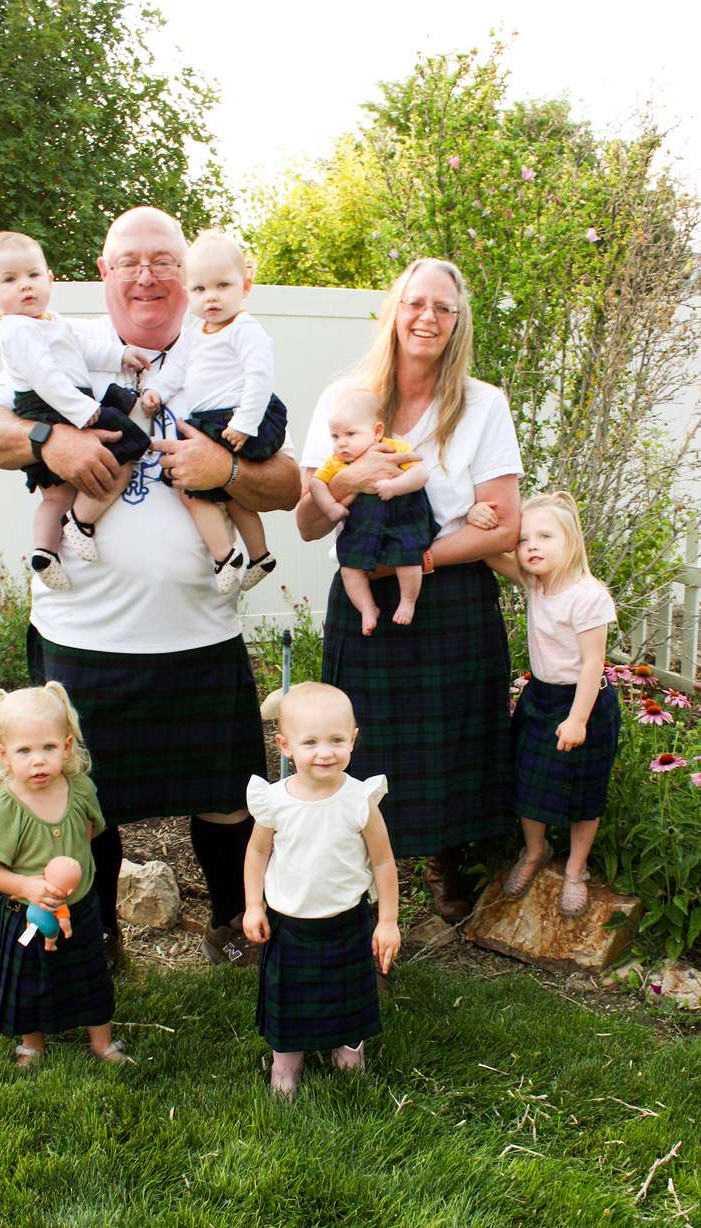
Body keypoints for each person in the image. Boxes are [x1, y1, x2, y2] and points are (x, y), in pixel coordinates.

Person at [0, 206, 301, 971]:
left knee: (224, 796)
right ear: (103, 273)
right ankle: (99, 933)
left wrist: (226, 469)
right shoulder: (60, 341)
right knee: (86, 804)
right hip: (85, 635)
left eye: (164, 261)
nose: (146, 276)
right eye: (128, 262)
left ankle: (228, 924)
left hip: (201, 632)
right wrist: (52, 438)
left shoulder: (222, 348)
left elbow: (287, 484)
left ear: (189, 274)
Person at [297, 257, 523, 922]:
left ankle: (445, 858)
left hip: (447, 593)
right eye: (415, 303)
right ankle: (360, 863)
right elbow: (308, 523)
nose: (427, 317)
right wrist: (346, 478)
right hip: (363, 597)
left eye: (443, 308)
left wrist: (414, 559)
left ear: (458, 322)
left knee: (450, 737)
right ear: (394, 311)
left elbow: (505, 523)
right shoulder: (345, 401)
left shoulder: (482, 405)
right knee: (360, 736)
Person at [243, 682, 400, 1099]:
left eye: (336, 740)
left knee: (349, 994)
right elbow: (257, 852)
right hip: (290, 925)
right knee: (290, 999)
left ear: (353, 739)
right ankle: (286, 1063)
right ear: (285, 746)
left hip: (347, 921)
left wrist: (387, 920)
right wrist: (253, 905)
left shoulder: (359, 799)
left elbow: (383, 862)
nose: (325, 752)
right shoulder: (275, 801)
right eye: (310, 742)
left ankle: (349, 1049)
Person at [0, 231, 152, 591]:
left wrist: (120, 355)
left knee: (56, 494)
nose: (25, 285)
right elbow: (46, 378)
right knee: (129, 446)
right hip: (53, 408)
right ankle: (79, 523)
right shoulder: (15, 329)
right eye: (10, 279)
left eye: (33, 275)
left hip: (66, 405)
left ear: (50, 279)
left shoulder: (51, 321)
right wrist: (82, 411)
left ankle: (45, 552)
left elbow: (84, 349)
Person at [0, 683, 129, 1066]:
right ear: (3, 753)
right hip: (25, 915)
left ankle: (102, 1042)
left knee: (91, 975)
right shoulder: (2, 809)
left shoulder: (80, 791)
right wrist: (26, 885)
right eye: (24, 750)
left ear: (67, 746)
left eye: (48, 747)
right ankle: (33, 1044)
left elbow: (87, 836)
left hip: (80, 909)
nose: (38, 761)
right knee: (28, 981)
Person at [483, 492, 620, 916]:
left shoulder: (587, 596)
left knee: (585, 790)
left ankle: (576, 870)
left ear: (571, 541)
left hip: (585, 703)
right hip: (540, 699)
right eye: (524, 539)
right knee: (528, 780)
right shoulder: (535, 583)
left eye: (545, 536)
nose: (532, 546)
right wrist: (481, 518)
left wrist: (578, 720)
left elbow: (593, 663)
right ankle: (535, 851)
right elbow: (489, 552)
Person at [141, 231, 285, 594]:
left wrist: (244, 423)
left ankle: (225, 557)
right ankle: (259, 555)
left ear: (246, 285)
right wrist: (157, 390)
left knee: (189, 486)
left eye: (223, 285)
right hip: (211, 422)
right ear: (187, 291)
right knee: (229, 492)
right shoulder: (194, 333)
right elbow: (176, 368)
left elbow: (260, 378)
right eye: (200, 289)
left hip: (240, 418)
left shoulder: (245, 330)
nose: (212, 297)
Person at [309, 386, 438, 635]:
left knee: (408, 558)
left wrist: (396, 485)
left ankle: (408, 601)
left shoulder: (394, 448)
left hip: (401, 519)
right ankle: (368, 608)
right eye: (335, 436)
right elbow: (316, 484)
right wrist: (331, 506)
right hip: (363, 527)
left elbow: (421, 474)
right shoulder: (336, 462)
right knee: (349, 567)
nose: (341, 442)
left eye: (350, 434)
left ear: (377, 431)